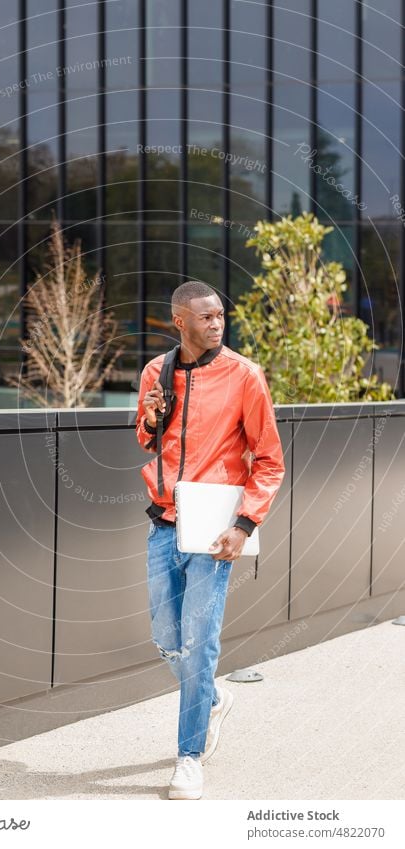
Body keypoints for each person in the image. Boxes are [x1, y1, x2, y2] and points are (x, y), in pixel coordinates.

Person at [135, 280, 285, 800]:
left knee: (199, 644)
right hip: (163, 523)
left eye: (220, 315)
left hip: (214, 529)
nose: (216, 323)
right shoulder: (156, 372)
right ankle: (212, 695)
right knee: (164, 637)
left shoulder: (245, 375)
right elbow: (147, 436)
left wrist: (244, 525)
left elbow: (269, 460)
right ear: (181, 321)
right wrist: (153, 416)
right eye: (206, 317)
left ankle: (189, 756)